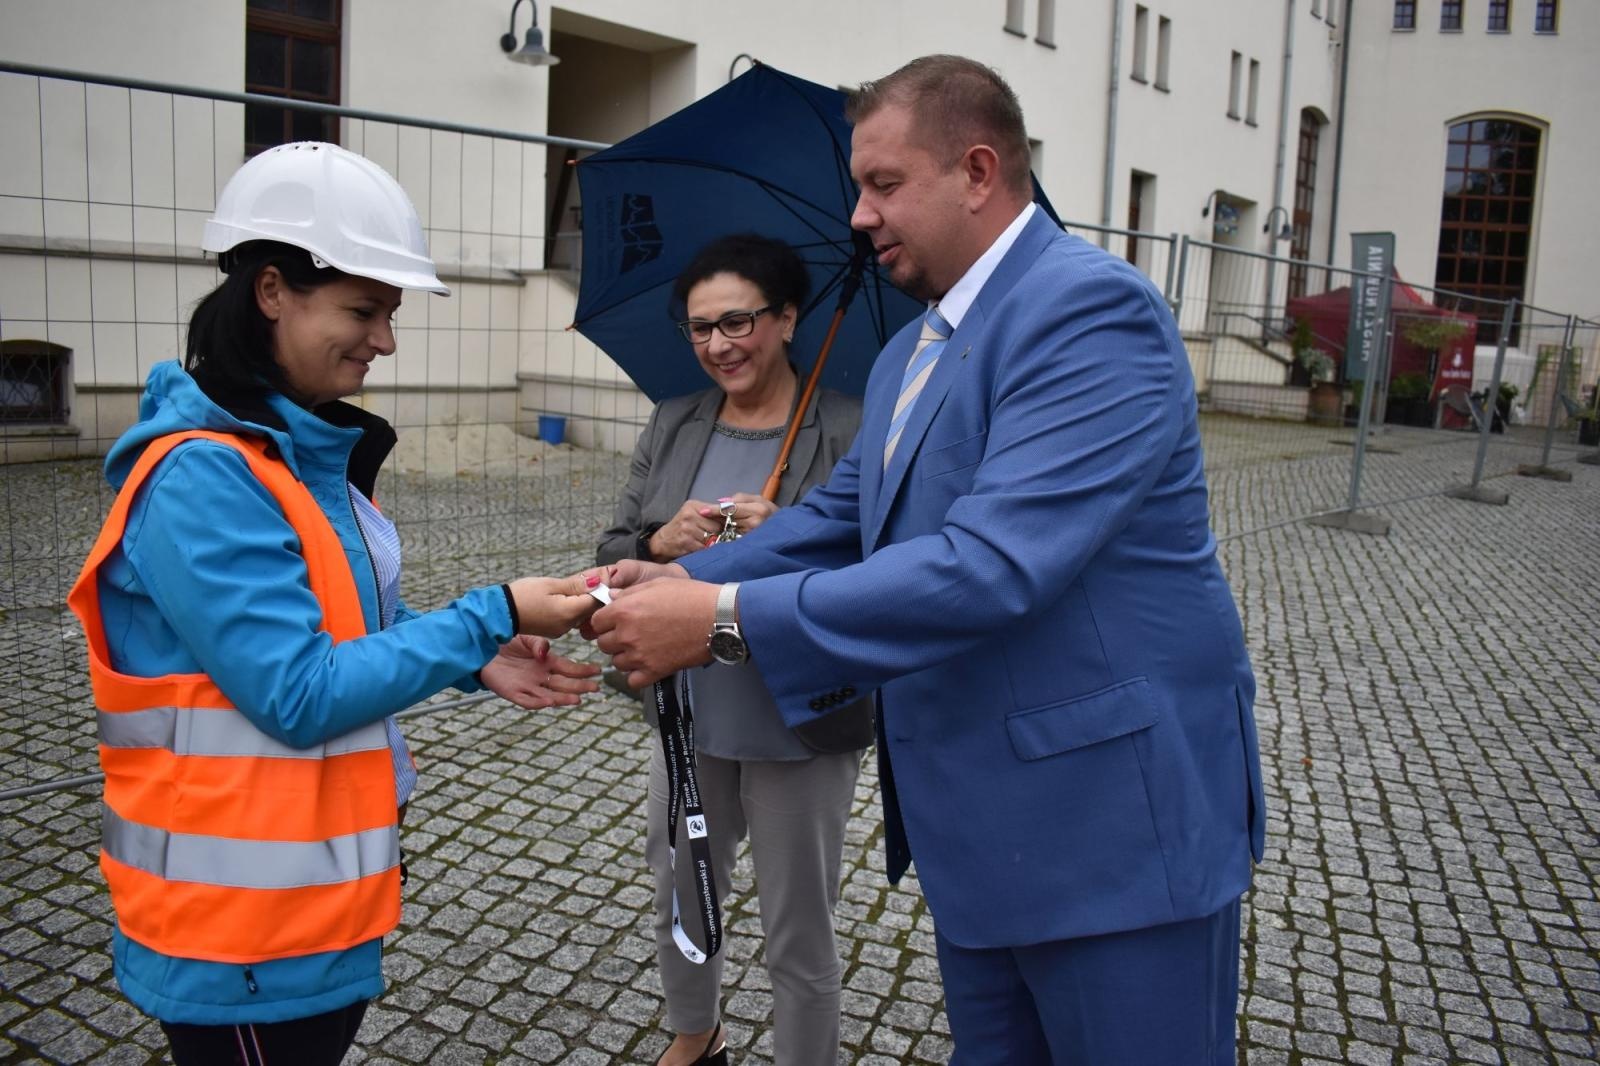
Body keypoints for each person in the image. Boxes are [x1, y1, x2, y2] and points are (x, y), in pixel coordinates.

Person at [589, 56, 1265, 1065]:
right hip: (982, 839)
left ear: (978, 171)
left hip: (1109, 835)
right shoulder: (918, 347)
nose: (859, 215)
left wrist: (723, 621)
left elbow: (992, 564)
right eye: (859, 188)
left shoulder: (1089, 311)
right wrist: (681, 579)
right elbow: (842, 515)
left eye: (883, 184)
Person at [66, 141, 601, 1065]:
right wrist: (492, 613)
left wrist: (473, 659)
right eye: (363, 310)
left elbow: (344, 637)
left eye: (389, 314)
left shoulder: (292, 456)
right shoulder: (204, 477)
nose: (385, 341)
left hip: (299, 909)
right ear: (271, 290)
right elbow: (299, 691)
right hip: (234, 933)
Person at [595, 233, 872, 1066]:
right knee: (683, 892)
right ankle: (696, 1036)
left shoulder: (852, 425)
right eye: (700, 328)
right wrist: (659, 534)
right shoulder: (676, 420)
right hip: (689, 709)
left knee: (798, 921)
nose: (719, 345)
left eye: (740, 321)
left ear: (788, 319)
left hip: (798, 716)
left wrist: (793, 535)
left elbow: (882, 570)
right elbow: (612, 548)